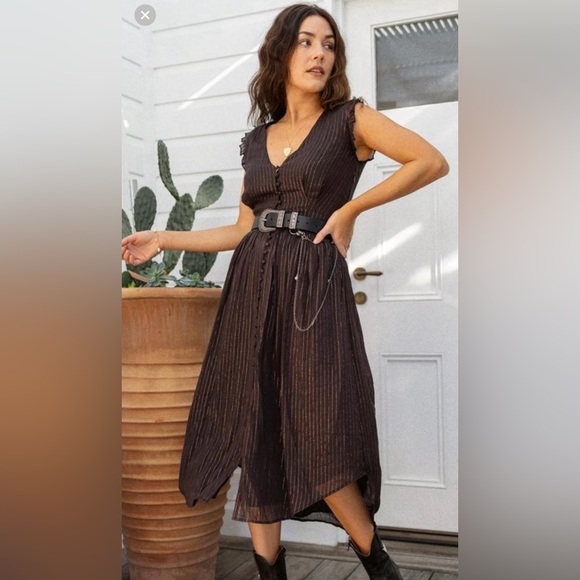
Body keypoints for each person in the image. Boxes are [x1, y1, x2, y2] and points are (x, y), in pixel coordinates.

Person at [122, 4, 449, 579]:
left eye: (329, 44)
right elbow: (243, 230)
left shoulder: (350, 120)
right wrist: (164, 238)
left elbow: (430, 160)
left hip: (311, 292)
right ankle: (270, 571)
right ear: (280, 53)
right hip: (251, 292)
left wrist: (351, 208)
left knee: (321, 431)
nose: (320, 53)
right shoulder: (255, 142)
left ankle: (379, 565)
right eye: (306, 41)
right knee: (257, 429)